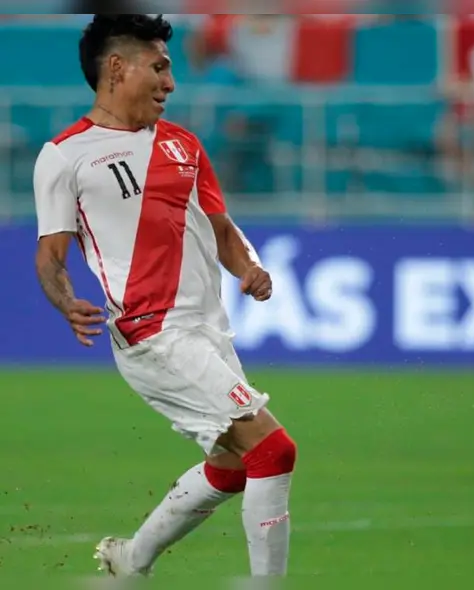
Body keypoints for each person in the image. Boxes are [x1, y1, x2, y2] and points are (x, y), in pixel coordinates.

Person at [31, 15, 297, 577]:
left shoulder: (184, 144)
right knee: (274, 451)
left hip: (207, 329)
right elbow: (50, 254)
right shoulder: (65, 156)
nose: (170, 84)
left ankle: (131, 560)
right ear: (116, 68)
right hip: (152, 332)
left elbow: (222, 229)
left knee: (231, 465)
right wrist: (63, 299)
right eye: (160, 68)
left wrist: (250, 268)